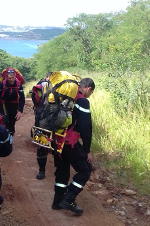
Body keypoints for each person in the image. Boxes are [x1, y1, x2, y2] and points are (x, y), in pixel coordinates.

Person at [52, 77, 95, 215]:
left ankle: (57, 202)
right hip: (70, 142)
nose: (89, 95)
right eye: (91, 92)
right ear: (88, 89)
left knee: (63, 169)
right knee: (85, 170)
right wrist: (87, 150)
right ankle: (68, 199)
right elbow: (85, 127)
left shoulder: (66, 98)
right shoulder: (82, 101)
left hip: (56, 140)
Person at [34, 71, 53, 180]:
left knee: (41, 144)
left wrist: (38, 108)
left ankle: (42, 171)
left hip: (43, 118)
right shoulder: (64, 88)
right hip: (58, 120)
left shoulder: (42, 85)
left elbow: (36, 98)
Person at [0, 69, 25, 135]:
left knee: (12, 122)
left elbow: (22, 98)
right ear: (6, 77)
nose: (11, 79)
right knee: (4, 120)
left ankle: (10, 136)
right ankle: (4, 135)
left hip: (14, 105)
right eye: (9, 78)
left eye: (12, 78)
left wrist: (20, 111)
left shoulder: (18, 85)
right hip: (4, 104)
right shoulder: (2, 84)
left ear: (15, 77)